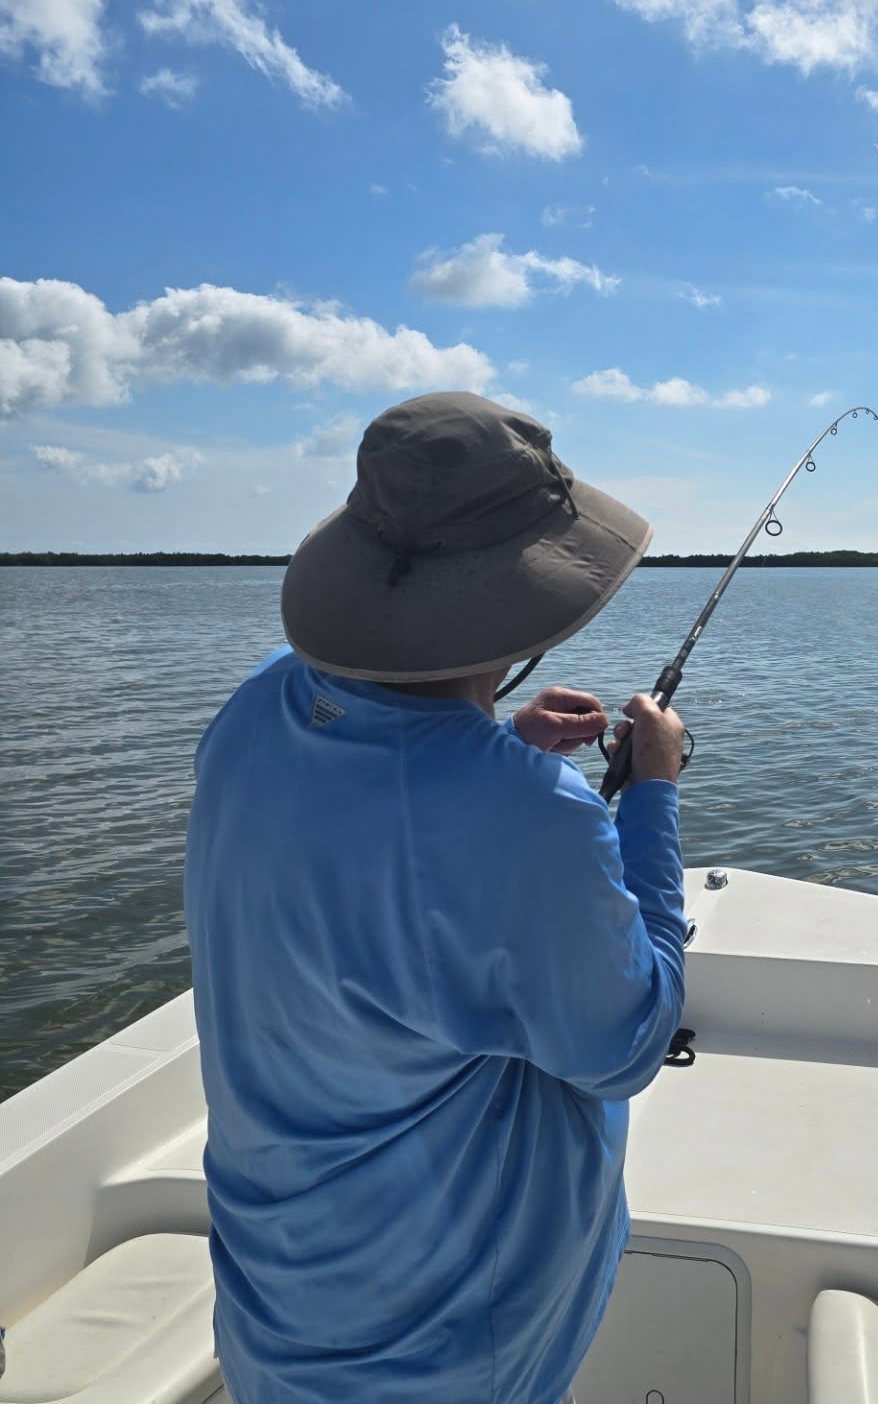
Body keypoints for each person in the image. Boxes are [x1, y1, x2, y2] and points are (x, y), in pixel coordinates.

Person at [184, 392, 688, 1404]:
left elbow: (381, 804)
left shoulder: (254, 711)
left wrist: (494, 740)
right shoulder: (532, 818)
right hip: (455, 1354)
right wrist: (652, 795)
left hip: (276, 1322)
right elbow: (629, 1042)